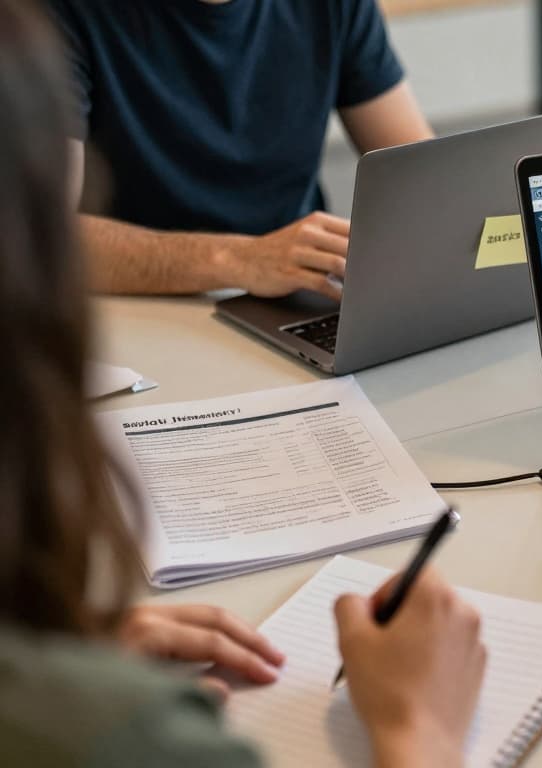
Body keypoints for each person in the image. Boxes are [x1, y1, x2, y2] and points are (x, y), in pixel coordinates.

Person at [0, 3, 482, 766]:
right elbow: (46, 240)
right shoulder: (47, 23)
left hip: (297, 335)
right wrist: (236, 258)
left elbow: (425, 175)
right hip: (156, 351)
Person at [44, 0, 435, 301]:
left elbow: (431, 181)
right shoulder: (53, 15)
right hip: (138, 311)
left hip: (295, 299)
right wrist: (237, 259)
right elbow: (41, 237)